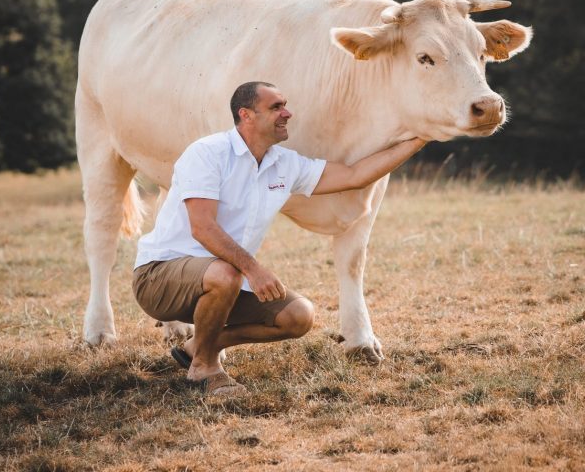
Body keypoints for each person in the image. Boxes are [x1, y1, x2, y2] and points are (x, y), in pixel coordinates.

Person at [132, 82, 425, 395]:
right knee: (226, 273)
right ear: (246, 115)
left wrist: (421, 138)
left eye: (285, 104)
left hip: (223, 282)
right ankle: (205, 365)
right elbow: (202, 227)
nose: (288, 113)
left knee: (298, 316)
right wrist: (254, 270)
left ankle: (199, 345)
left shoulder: (284, 164)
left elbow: (355, 175)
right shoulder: (207, 153)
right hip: (159, 278)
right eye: (276, 107)